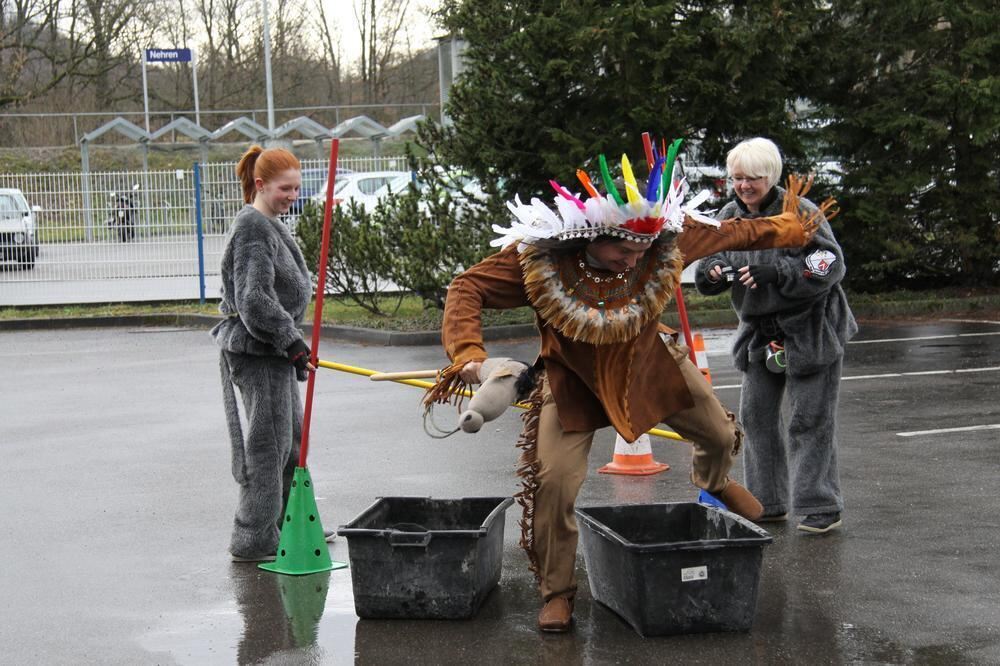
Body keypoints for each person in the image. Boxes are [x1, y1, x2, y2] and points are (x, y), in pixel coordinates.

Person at [425, 148, 832, 632]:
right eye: (623, 251)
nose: (635, 258)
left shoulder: (661, 242)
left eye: (643, 250)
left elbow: (733, 232)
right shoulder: (540, 260)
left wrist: (789, 228)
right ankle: (557, 592)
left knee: (721, 437)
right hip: (570, 380)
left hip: (649, 364)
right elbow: (466, 287)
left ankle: (716, 482)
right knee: (553, 484)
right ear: (591, 238)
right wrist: (470, 356)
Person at [695, 137, 856, 536]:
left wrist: (781, 273)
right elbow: (708, 258)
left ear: (772, 176)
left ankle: (821, 504)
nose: (744, 186)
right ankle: (767, 502)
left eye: (753, 178)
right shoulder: (729, 215)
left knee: (809, 419)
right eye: (737, 179)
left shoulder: (800, 211)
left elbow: (829, 262)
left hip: (811, 331)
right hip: (759, 336)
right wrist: (712, 271)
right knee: (757, 417)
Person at [211, 145, 317, 562]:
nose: (293, 195)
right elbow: (253, 299)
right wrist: (290, 340)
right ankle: (254, 537)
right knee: (267, 446)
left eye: (296, 188)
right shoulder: (253, 227)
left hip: (273, 349)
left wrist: (290, 345)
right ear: (260, 185)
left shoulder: (271, 222)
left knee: (290, 442)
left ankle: (293, 525)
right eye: (284, 188)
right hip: (257, 350)